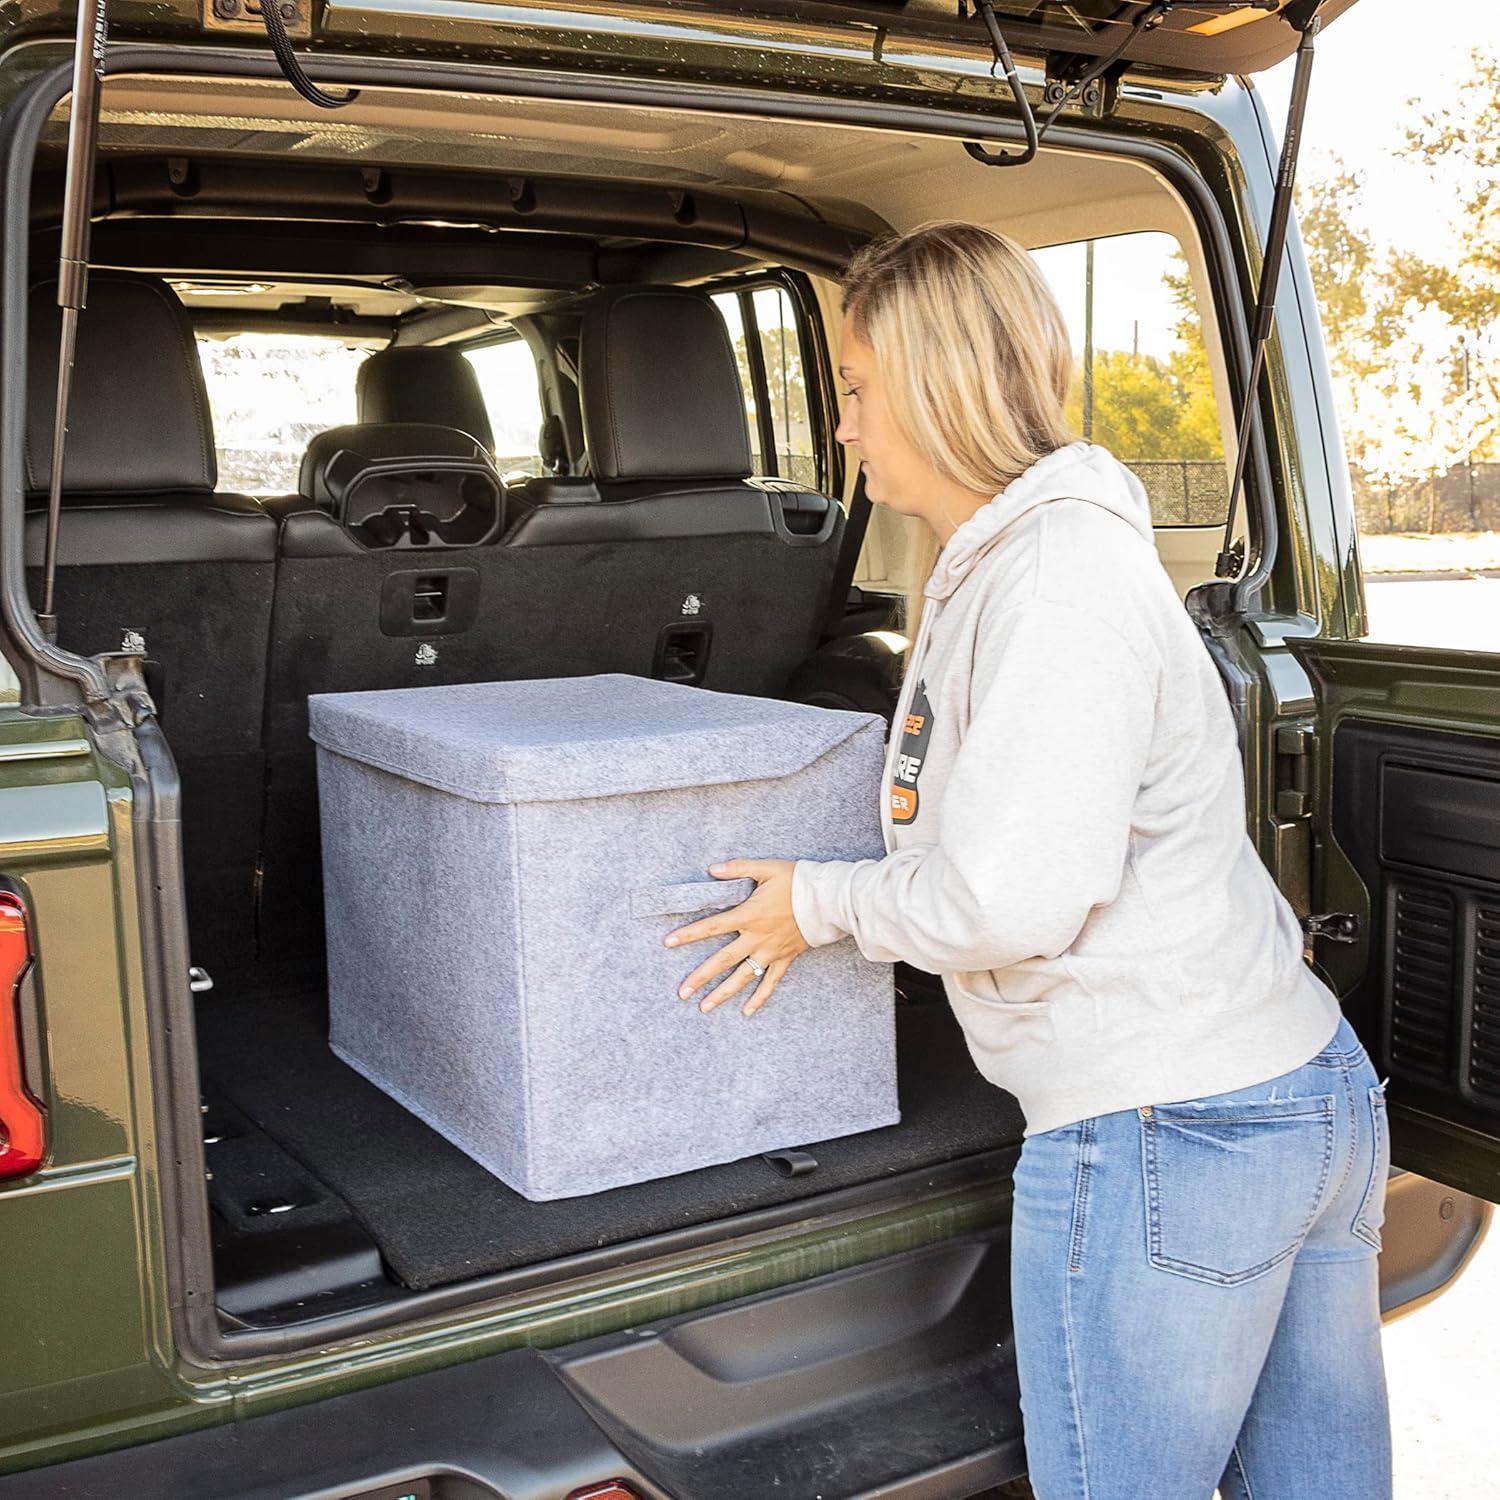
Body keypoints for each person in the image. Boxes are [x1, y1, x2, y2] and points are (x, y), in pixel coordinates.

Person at [661, 220, 1393, 1499]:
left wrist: (815, 906)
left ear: (940, 387)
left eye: (856, 387)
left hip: (1177, 1126)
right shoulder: (1021, 557)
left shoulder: (1056, 581)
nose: (843, 425)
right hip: (1283, 1091)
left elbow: (1013, 900)